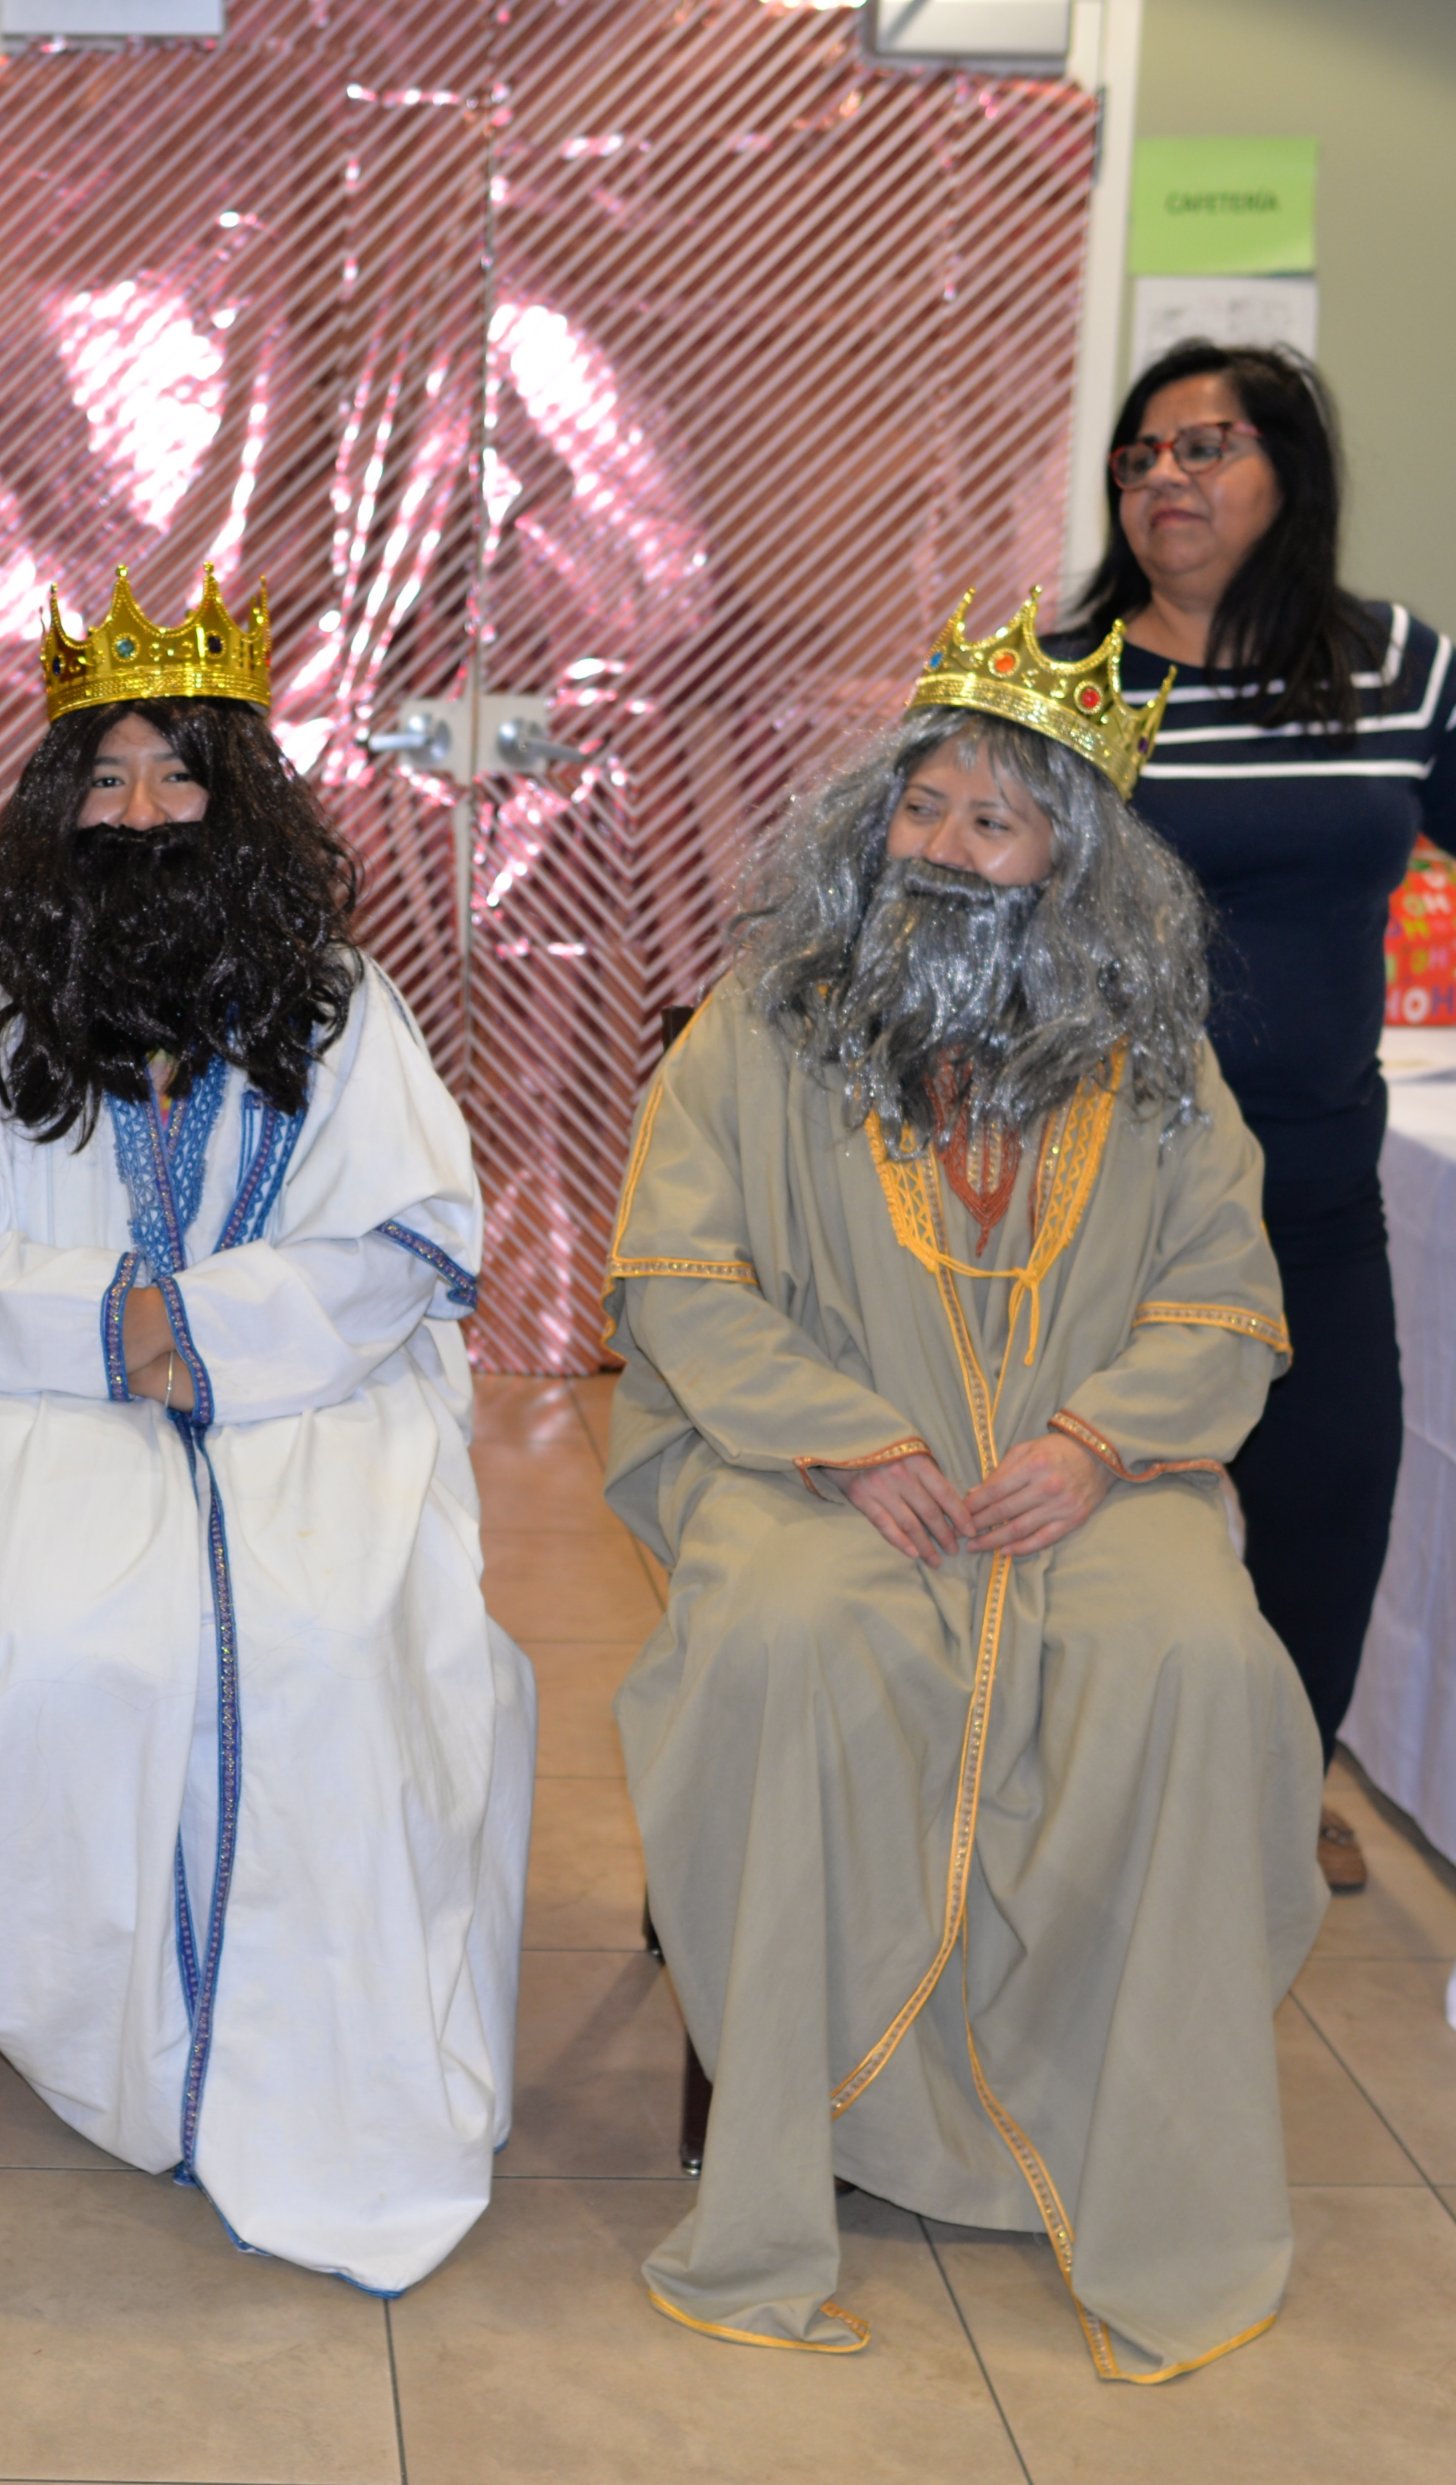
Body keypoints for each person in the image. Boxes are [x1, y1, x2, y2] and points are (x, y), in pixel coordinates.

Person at [606, 592, 1324, 2379]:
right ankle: (807, 2127)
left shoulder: (1162, 1067)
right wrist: (849, 1435)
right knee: (787, 1636)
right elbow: (680, 1282)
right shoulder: (756, 1033)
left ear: (1073, 868)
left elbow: (1226, 1296)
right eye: (921, 806)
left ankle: (1109, 2116)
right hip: (819, 1465)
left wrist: (1091, 1442)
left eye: (992, 821)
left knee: (1200, 1660)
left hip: (1093, 1478)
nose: (942, 846)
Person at [0, 566, 534, 2294]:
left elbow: (404, 1246)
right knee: (89, 1642)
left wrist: (217, 1333)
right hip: (31, 1398)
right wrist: (107, 1322)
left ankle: (324, 2072)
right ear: (54, 803)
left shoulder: (337, 1000)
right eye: (106, 779)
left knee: (338, 1632)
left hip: (305, 1397)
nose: (141, 814)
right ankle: (133, 2048)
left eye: (179, 777)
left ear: (240, 796)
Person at [1071, 341, 1456, 1891]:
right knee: (1096, 1510)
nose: (1165, 477)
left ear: (1288, 470)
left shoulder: (1397, 668)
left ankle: (1271, 1782)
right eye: (1141, 456)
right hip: (1099, 1197)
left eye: (1206, 446)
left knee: (1328, 1510)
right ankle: (1086, 1792)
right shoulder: (1068, 676)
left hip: (1312, 1187)